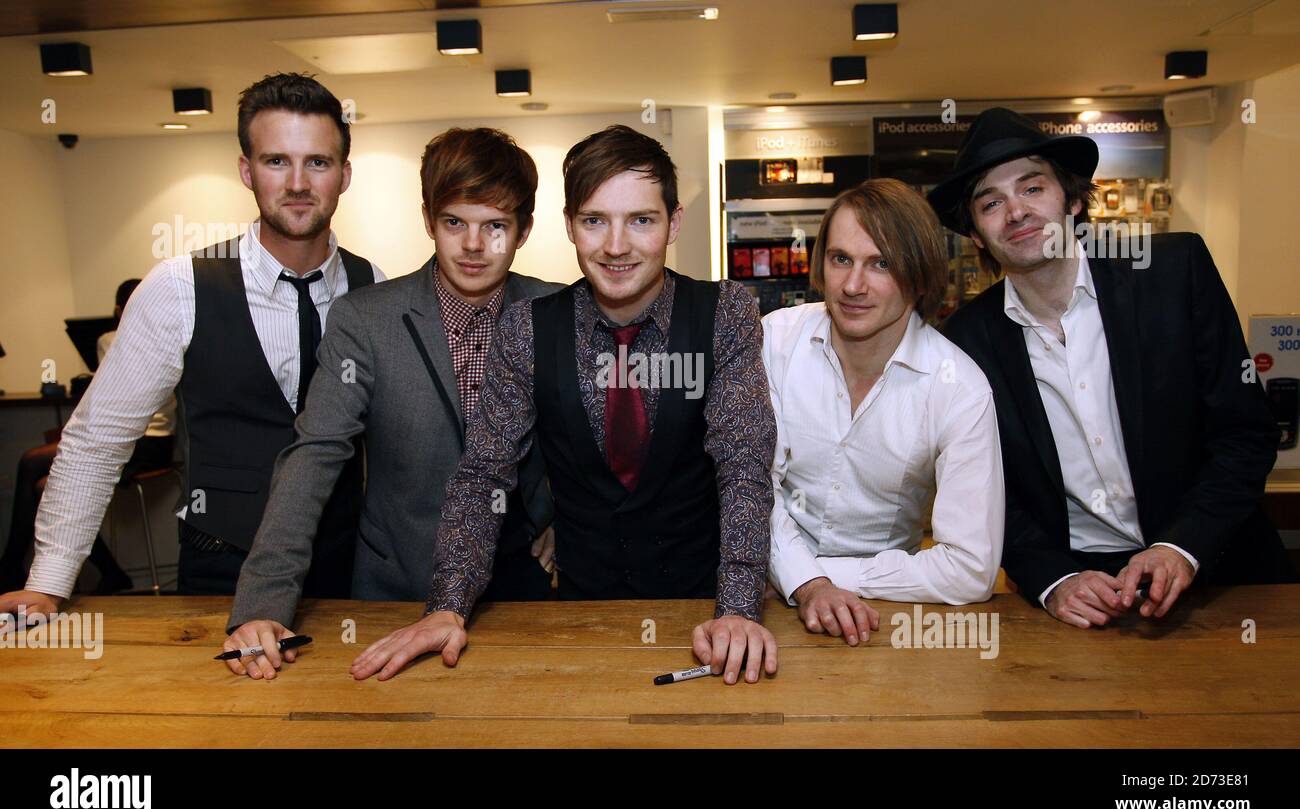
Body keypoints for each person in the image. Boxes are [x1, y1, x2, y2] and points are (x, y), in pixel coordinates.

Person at [350, 125, 779, 685]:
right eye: (595, 221)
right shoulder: (527, 328)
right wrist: (448, 605)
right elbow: (484, 475)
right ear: (570, 226)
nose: (617, 245)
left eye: (641, 220)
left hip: (702, 617)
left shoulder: (725, 313)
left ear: (674, 223)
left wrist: (740, 609)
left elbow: (744, 467)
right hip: (580, 620)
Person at [0, 72, 383, 620]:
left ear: (343, 176)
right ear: (246, 170)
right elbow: (97, 440)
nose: (297, 182)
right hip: (219, 571)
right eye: (277, 161)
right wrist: (49, 583)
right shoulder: (180, 287)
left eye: (317, 162)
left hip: (345, 574)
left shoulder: (376, 288)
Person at [933, 107, 1293, 629]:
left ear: (1074, 200)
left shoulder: (1174, 273)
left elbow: (1245, 432)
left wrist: (1181, 546)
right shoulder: (966, 341)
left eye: (1032, 188)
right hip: (1087, 597)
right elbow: (984, 490)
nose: (1016, 212)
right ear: (976, 236)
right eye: (991, 202)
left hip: (1220, 573)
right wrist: (1052, 578)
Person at [223, 128, 561, 679]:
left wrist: (563, 523)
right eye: (455, 222)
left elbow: (605, 443)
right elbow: (314, 456)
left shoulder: (555, 311)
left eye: (494, 226)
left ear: (522, 231)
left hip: (520, 594)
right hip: (396, 593)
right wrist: (262, 606)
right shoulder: (366, 320)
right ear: (428, 220)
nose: (473, 245)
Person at [765, 179, 1003, 645]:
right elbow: (754, 487)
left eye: (881, 264)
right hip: (763, 604)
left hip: (886, 614)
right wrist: (806, 583)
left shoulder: (960, 388)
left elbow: (971, 569)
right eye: (841, 260)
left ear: (918, 276)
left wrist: (815, 580)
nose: (854, 285)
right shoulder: (774, 341)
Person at [0, 279, 176, 593]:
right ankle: (103, 571)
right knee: (41, 477)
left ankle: (12, 567)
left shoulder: (112, 337)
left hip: (141, 440)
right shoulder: (170, 330)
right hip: (159, 441)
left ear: (119, 310)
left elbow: (114, 399)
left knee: (35, 469)